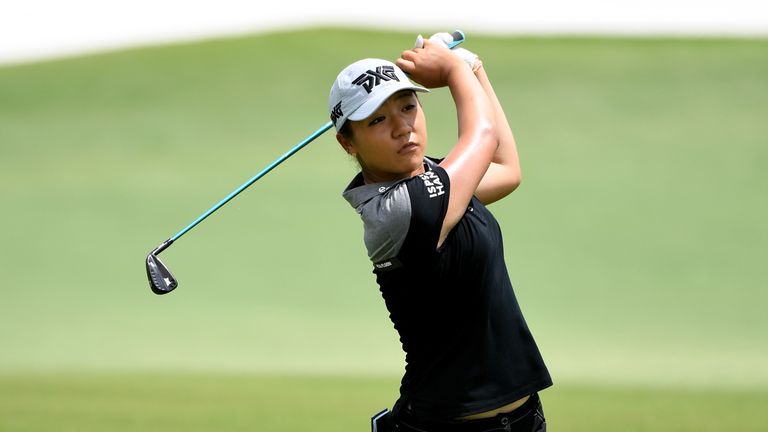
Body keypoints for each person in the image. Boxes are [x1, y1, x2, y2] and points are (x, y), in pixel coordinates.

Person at [328, 33, 552, 432]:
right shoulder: (396, 211)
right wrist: (452, 71)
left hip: (522, 419)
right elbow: (481, 137)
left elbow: (506, 169)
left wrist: (474, 69)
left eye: (408, 107)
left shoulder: (433, 178)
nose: (402, 128)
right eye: (377, 120)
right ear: (348, 143)